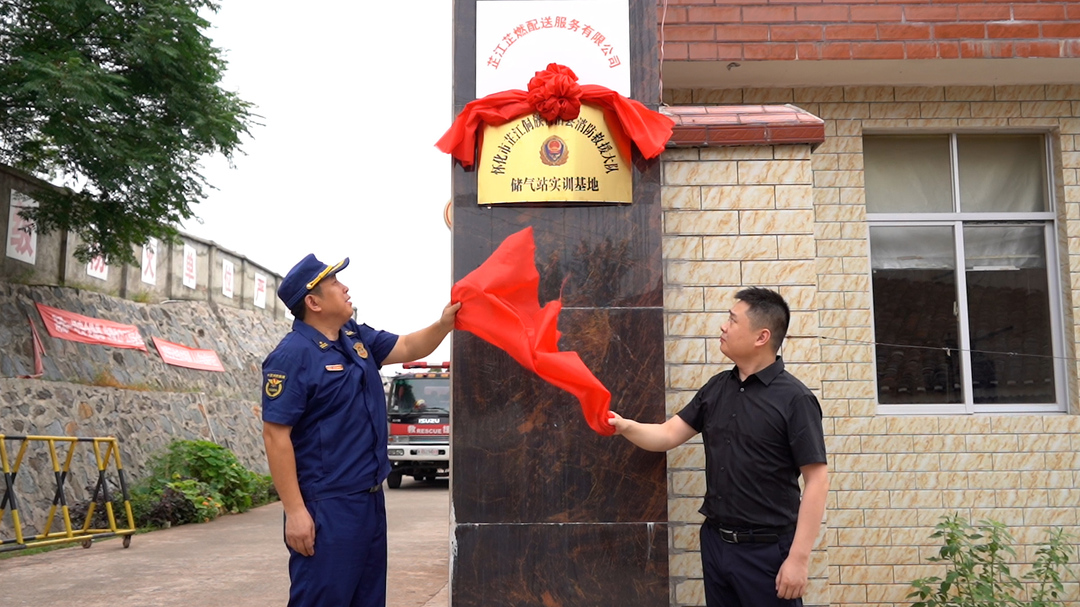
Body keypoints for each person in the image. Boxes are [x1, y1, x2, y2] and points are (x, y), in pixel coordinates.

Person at [608, 287, 828, 607]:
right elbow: (667, 435)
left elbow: (817, 480)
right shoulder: (717, 388)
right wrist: (623, 426)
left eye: (732, 320)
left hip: (766, 551)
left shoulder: (796, 399)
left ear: (762, 336)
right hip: (716, 543)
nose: (724, 326)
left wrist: (799, 559)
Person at [261, 253, 459, 607]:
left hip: (369, 499)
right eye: (334, 283)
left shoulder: (354, 337)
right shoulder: (292, 356)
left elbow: (408, 346)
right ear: (313, 303)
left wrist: (444, 323)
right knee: (323, 598)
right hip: (328, 504)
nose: (345, 287)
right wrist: (296, 512)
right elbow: (276, 436)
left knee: (367, 599)